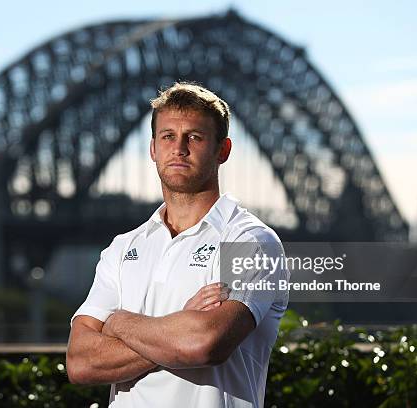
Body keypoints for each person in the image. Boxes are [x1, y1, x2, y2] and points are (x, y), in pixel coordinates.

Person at [66, 82, 289, 407]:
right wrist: (178, 324)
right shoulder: (122, 247)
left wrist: (116, 321)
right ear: (153, 148)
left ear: (222, 151)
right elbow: (80, 362)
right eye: (168, 136)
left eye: (195, 137)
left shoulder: (250, 241)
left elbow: (203, 344)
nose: (179, 148)